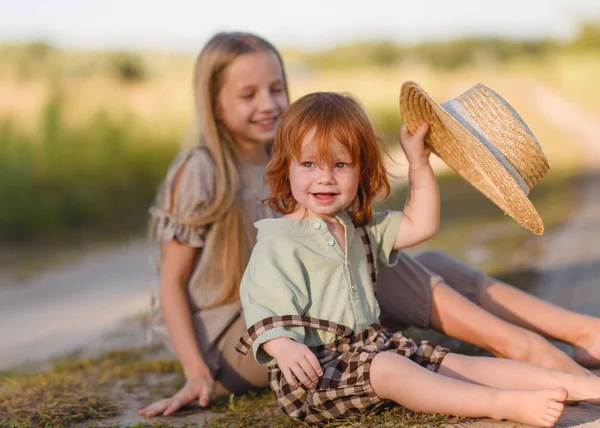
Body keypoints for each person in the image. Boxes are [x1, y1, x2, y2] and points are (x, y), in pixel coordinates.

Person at [139, 31, 600, 419]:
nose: (268, 104)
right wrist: (196, 371)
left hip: (305, 318)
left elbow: (413, 223)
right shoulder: (202, 170)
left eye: (276, 88)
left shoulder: (290, 149)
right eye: (248, 94)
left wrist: (419, 163)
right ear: (214, 104)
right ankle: (522, 347)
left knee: (409, 254)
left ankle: (579, 332)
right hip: (246, 342)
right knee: (386, 264)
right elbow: (171, 282)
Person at [237, 92, 600, 426]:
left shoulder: (357, 227)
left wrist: (418, 162)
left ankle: (576, 385)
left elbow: (419, 224)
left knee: (453, 363)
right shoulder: (278, 240)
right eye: (310, 164)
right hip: (316, 373)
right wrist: (282, 346)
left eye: (341, 165)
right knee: (390, 368)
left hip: (373, 347)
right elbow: (262, 304)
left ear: (362, 170)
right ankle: (502, 404)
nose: (326, 178)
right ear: (287, 167)